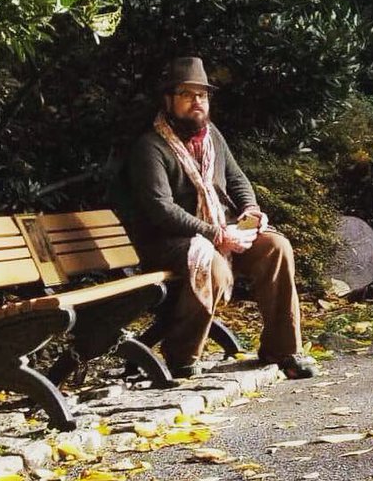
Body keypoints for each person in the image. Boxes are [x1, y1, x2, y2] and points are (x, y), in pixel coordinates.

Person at [123, 56, 318, 380]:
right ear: (169, 100)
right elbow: (160, 208)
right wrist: (215, 234)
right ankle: (182, 356)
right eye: (187, 94)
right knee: (210, 264)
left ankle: (283, 350)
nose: (197, 102)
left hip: (220, 231)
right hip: (168, 241)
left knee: (276, 246)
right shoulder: (150, 147)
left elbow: (237, 179)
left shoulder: (212, 136)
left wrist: (250, 210)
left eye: (202, 95)